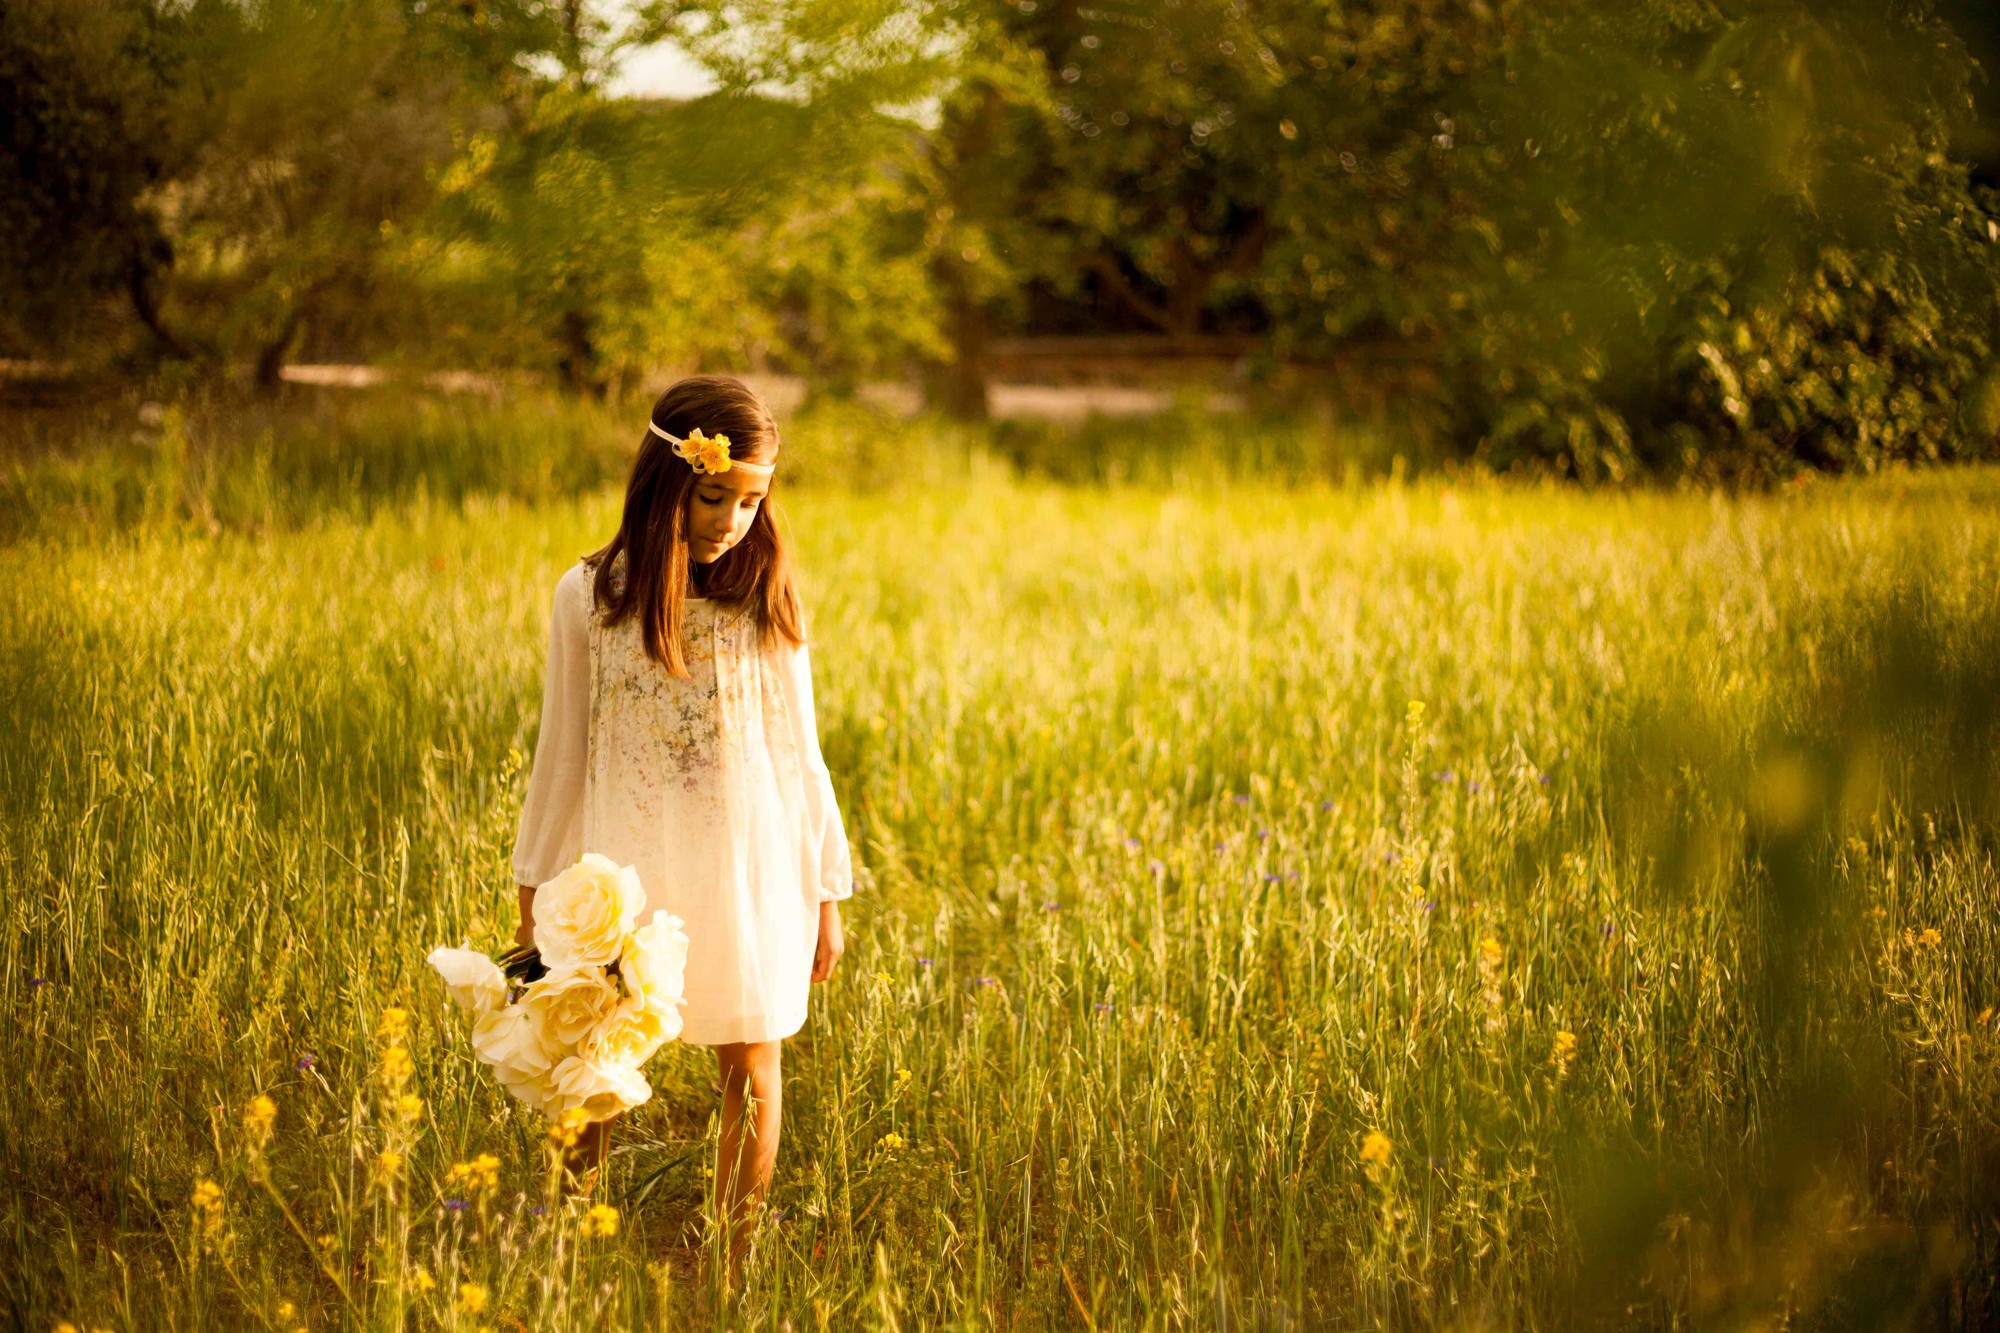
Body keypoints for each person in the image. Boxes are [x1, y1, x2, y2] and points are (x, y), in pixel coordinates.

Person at [507, 373, 854, 1281]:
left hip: (751, 866)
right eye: (713, 495)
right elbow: (560, 755)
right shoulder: (590, 597)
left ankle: (731, 1257)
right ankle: (573, 1249)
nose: (732, 520)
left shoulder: (765, 596)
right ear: (666, 479)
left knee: (752, 1058)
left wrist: (825, 891)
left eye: (751, 500)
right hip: (628, 867)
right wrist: (533, 890)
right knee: (592, 1061)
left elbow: (801, 752)